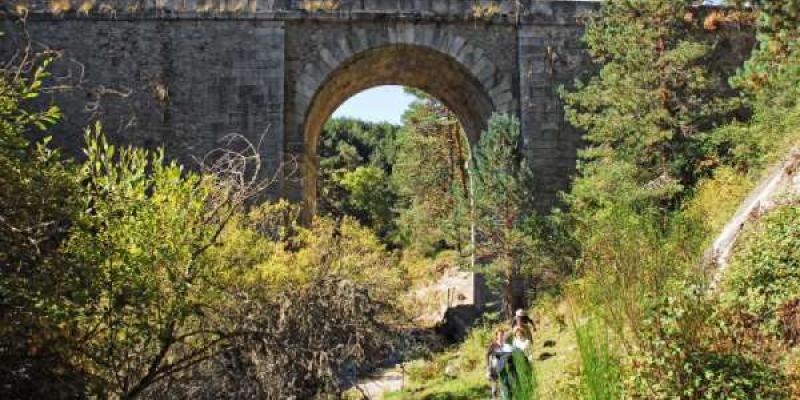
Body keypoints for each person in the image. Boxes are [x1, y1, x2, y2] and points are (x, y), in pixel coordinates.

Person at [486, 328, 514, 399]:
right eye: (500, 335)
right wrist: (488, 368)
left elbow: (510, 354)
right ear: (497, 336)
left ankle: (507, 398)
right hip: (494, 369)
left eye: (502, 335)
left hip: (502, 368)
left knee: (506, 384)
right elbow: (488, 355)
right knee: (495, 388)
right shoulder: (493, 345)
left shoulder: (506, 345)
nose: (501, 336)